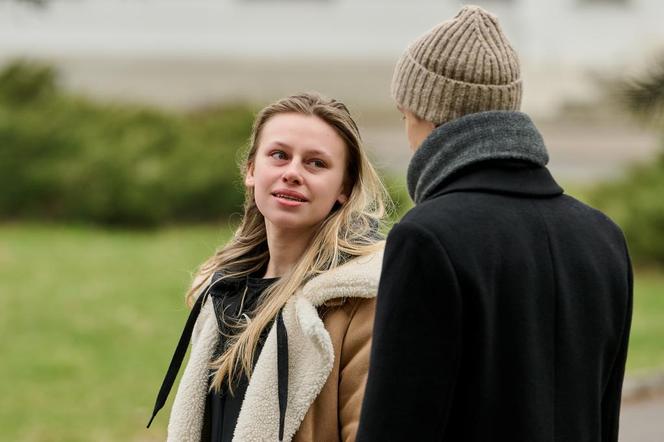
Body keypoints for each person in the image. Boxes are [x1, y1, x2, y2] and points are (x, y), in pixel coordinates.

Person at [356, 6, 633, 442]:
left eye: (403, 116)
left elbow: (397, 422)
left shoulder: (427, 237)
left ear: (425, 111)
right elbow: (604, 417)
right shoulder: (602, 235)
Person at [147, 92, 388, 441]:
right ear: (251, 170)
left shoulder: (360, 301)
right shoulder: (222, 293)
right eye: (279, 155)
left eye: (316, 163)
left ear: (344, 189)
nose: (292, 173)